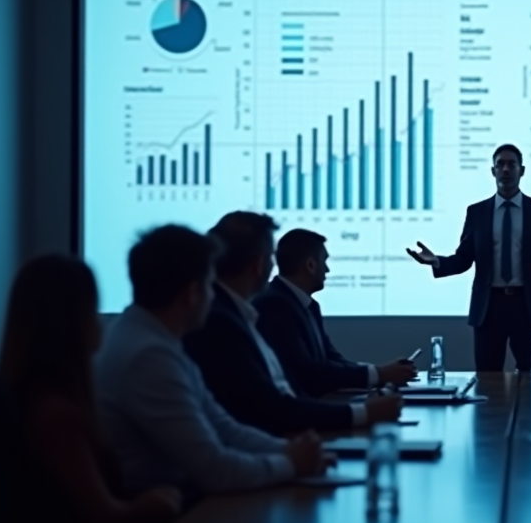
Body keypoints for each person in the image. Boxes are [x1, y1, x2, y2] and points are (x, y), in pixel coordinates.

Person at [96, 225, 330, 494]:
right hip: (163, 520)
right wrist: (291, 463)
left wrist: (289, 450)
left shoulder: (154, 339)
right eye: (210, 286)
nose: (213, 297)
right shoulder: (149, 357)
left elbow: (223, 428)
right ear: (193, 294)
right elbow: (214, 469)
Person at [0, 255, 180, 523]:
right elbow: (105, 516)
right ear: (70, 322)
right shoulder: (56, 415)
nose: (99, 321)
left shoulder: (32, 396)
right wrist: (151, 503)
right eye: (91, 310)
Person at [185, 212, 402, 434]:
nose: (273, 266)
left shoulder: (241, 313)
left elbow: (293, 388)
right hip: (276, 440)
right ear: (259, 264)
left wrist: (373, 381)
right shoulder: (234, 318)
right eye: (270, 258)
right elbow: (276, 402)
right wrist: (364, 409)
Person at [407, 144, 531, 371]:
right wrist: (437, 261)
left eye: (511, 164)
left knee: (530, 376)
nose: (506, 169)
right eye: (500, 164)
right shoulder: (476, 212)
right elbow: (463, 259)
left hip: (526, 307)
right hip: (489, 307)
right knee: (487, 377)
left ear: (522, 170)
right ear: (493, 171)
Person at [254, 228, 417, 395]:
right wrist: (379, 374)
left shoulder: (308, 305)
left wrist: (381, 372)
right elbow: (306, 372)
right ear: (310, 265)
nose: (327, 270)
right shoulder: (275, 305)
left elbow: (332, 359)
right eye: (324, 261)